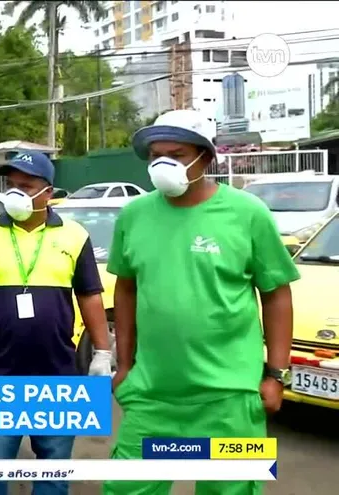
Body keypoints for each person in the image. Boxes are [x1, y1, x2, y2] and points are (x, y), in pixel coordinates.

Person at [103, 110, 299, 495]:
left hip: (230, 394)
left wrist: (275, 375)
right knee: (127, 488)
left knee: (232, 490)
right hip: (152, 393)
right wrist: (124, 365)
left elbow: (276, 294)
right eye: (155, 155)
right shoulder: (134, 215)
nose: (162, 165)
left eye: (175, 154)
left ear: (206, 158)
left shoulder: (248, 214)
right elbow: (125, 289)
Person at [0, 151, 114, 495]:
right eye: (12, 185)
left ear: (47, 192)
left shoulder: (74, 235)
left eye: (26, 186)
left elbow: (90, 295)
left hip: (58, 376)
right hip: (2, 377)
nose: (15, 193)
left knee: (53, 474)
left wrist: (101, 351)